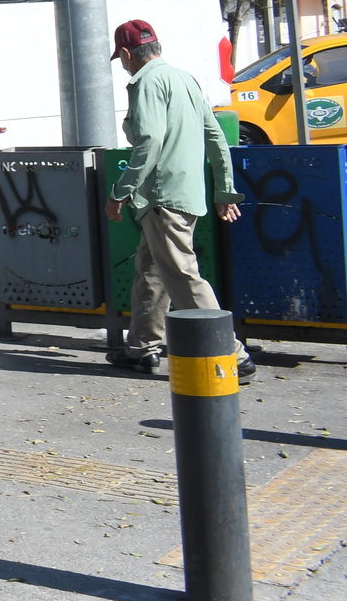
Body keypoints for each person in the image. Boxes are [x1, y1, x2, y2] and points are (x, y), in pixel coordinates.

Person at [105, 19, 253, 382]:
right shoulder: (185, 79)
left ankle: (233, 352)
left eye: (121, 58)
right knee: (151, 270)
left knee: (183, 277)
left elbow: (149, 142)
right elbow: (216, 139)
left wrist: (120, 191)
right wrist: (223, 190)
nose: (123, 64)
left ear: (127, 54)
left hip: (162, 196)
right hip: (186, 193)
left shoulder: (146, 83)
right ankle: (141, 347)